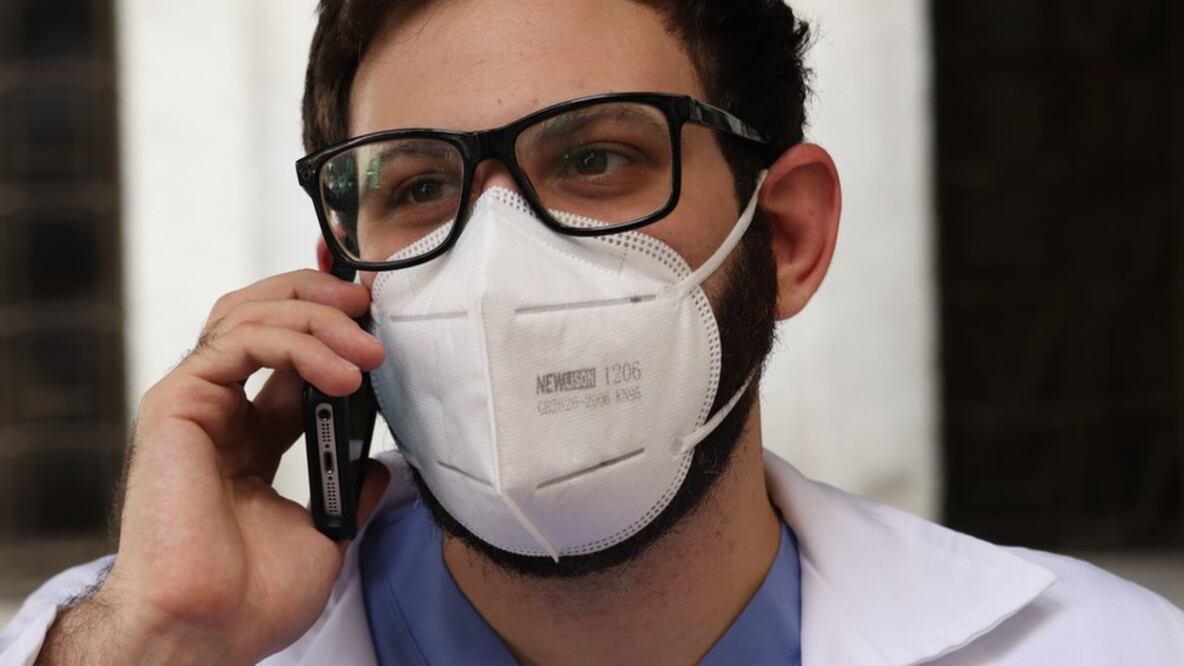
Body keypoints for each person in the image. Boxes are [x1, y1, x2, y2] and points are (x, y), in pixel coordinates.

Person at [4, 0, 1184, 663]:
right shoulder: (125, 646)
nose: (499, 262)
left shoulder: (1108, 653)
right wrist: (157, 641)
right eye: (417, 187)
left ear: (783, 239)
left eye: (595, 159)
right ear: (341, 286)